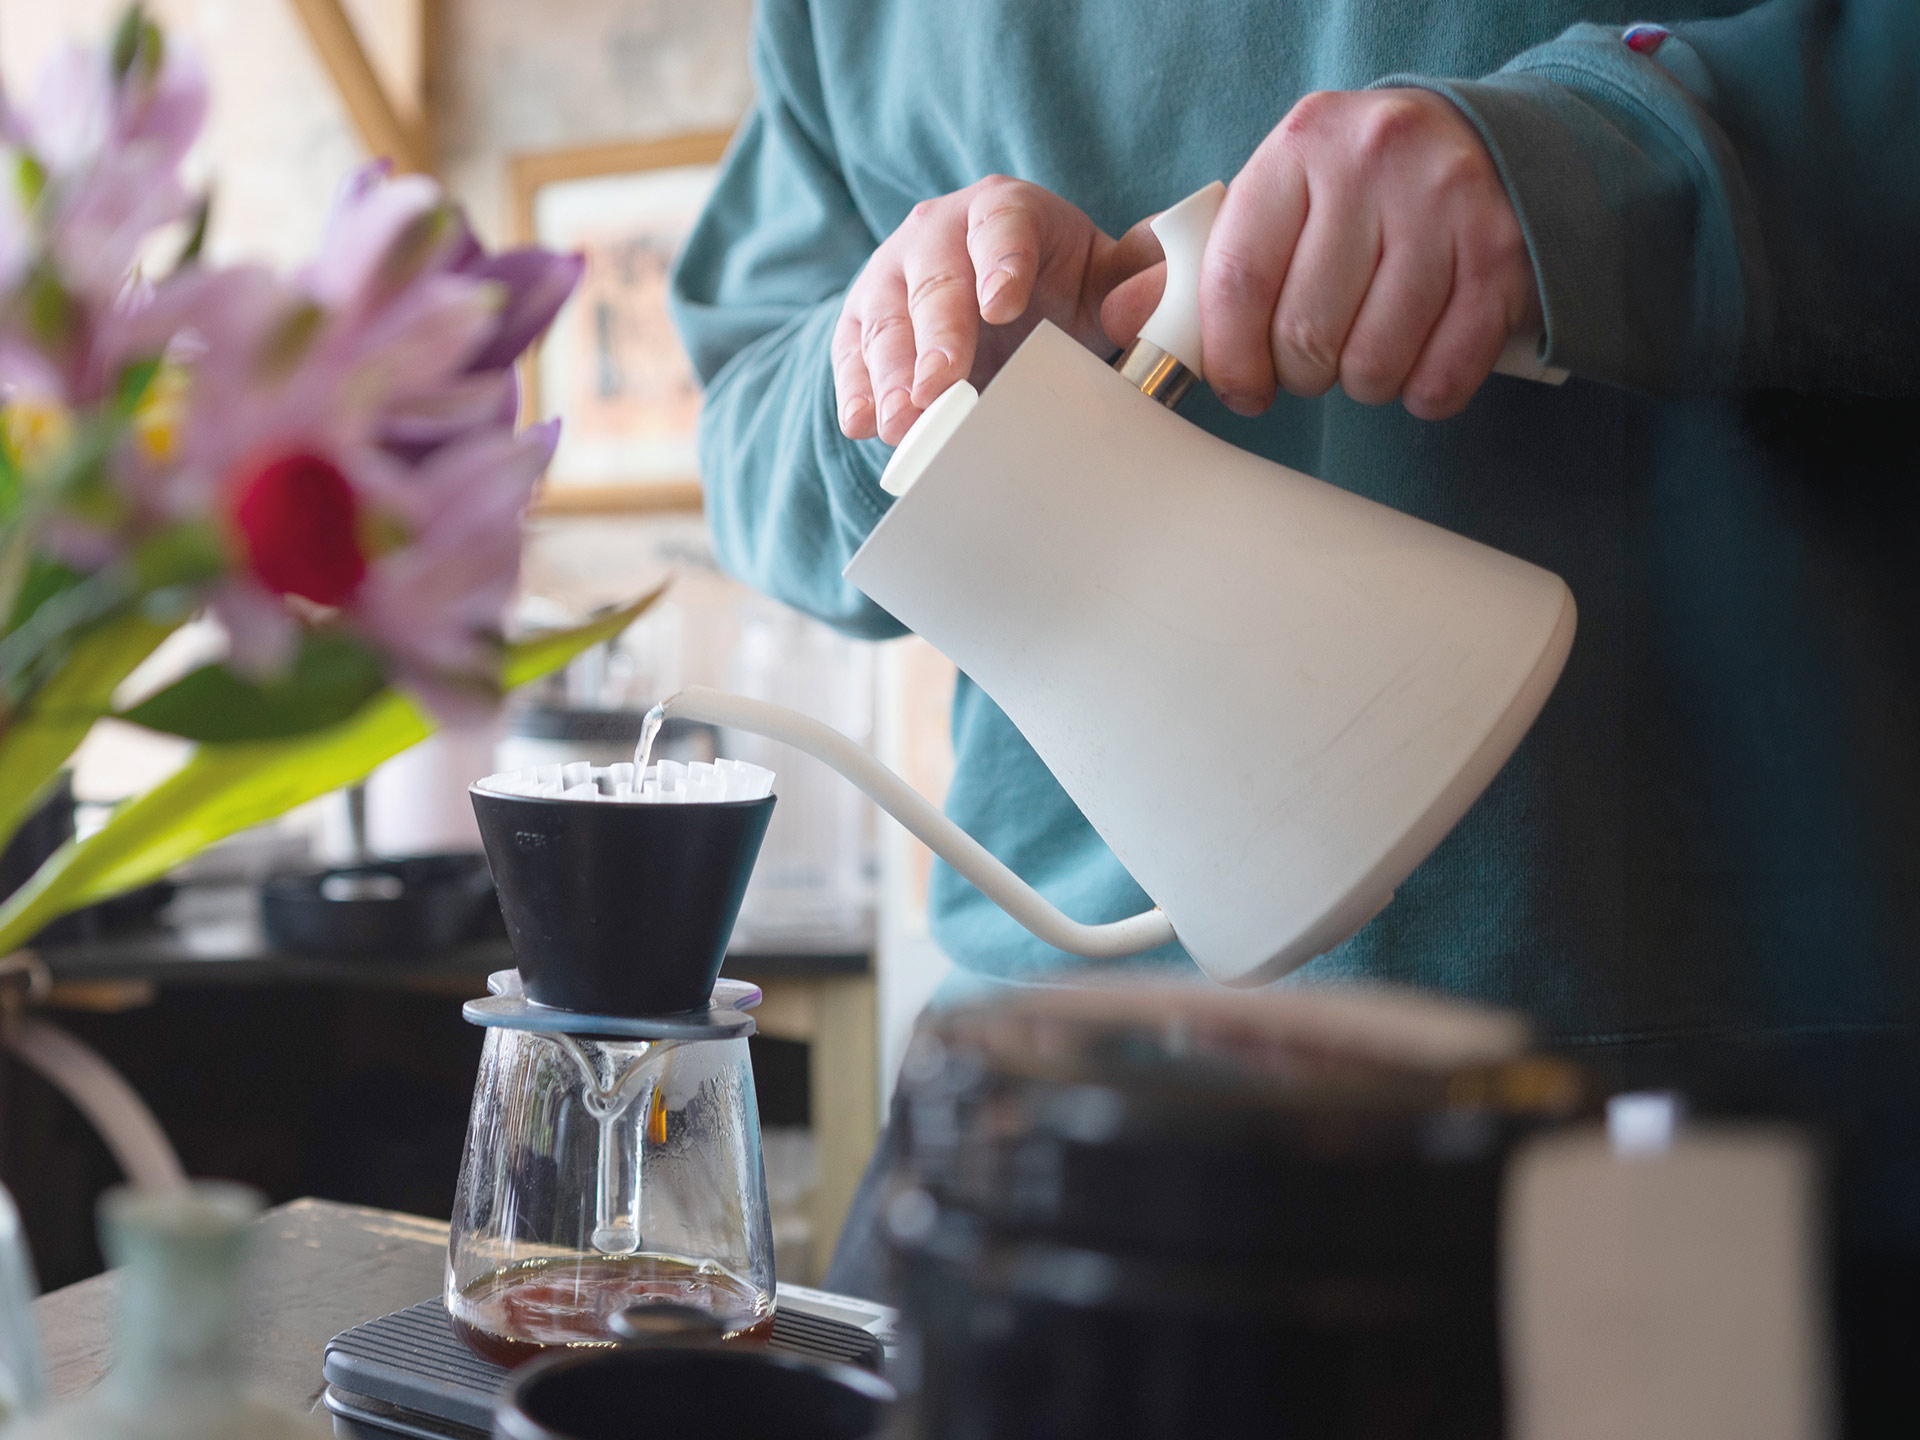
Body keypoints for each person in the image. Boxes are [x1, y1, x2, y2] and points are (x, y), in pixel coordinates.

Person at [671, 0, 1920, 1299]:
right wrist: (898, 384)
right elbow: (747, 412)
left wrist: (1599, 162)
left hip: (1709, 1094)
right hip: (1045, 1109)